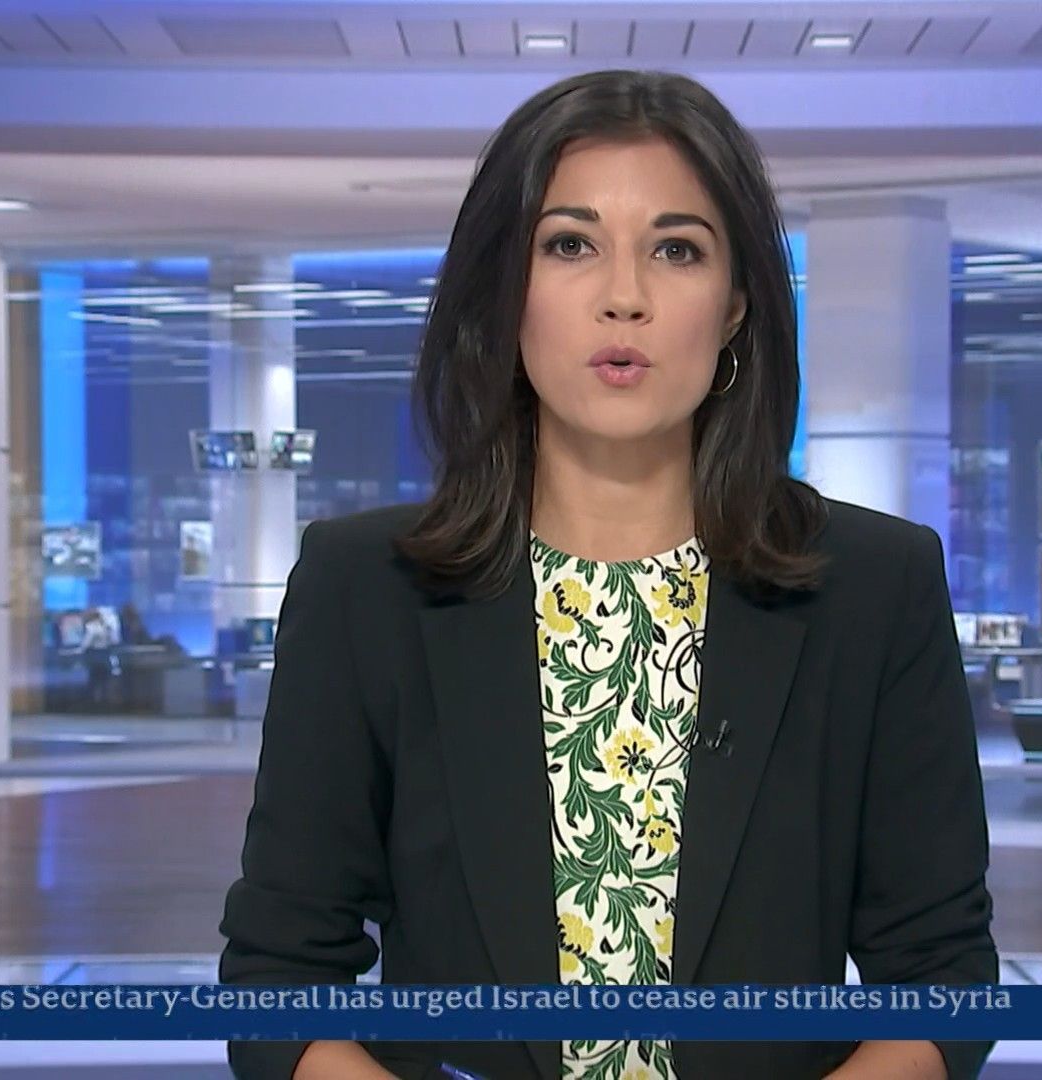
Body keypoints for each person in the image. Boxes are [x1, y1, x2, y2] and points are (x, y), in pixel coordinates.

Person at [219, 69, 996, 1080]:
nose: (624, 297)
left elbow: (941, 982)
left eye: (677, 250)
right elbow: (279, 983)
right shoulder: (364, 587)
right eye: (570, 245)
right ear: (504, 290)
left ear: (735, 307)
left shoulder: (875, 587)